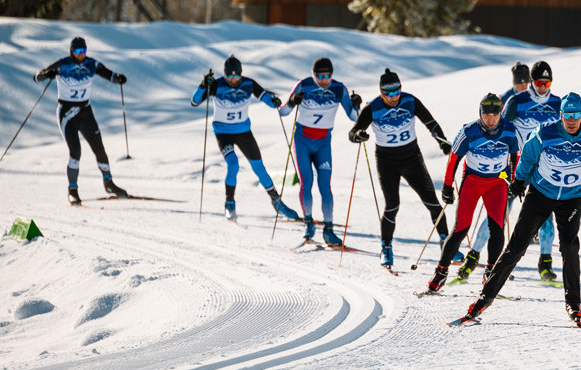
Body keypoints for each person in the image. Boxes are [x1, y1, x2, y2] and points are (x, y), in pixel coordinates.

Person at [460, 92, 581, 328]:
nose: (571, 120)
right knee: (516, 247)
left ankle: (574, 304)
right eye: (567, 115)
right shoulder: (545, 133)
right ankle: (485, 298)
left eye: (576, 115)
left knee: (569, 247)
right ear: (561, 115)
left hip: (571, 199)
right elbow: (528, 158)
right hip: (540, 195)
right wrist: (519, 181)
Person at [348, 68, 451, 269]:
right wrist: (359, 135)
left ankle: (446, 243)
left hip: (412, 158)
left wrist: (442, 141)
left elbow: (430, 123)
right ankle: (386, 247)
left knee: (432, 201)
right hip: (387, 162)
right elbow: (353, 133)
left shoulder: (410, 100)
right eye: (389, 94)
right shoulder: (372, 108)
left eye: (397, 92)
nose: (394, 97)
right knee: (392, 205)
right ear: (381, 93)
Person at [425, 93, 520, 293]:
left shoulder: (510, 130)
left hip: (497, 183)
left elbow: (515, 156)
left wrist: (514, 179)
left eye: (495, 115)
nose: (491, 120)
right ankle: (441, 272)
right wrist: (447, 186)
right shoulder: (469, 132)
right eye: (487, 116)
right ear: (481, 114)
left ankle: (491, 274)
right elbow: (454, 158)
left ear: (500, 113)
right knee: (461, 228)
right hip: (472, 182)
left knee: (497, 228)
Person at [191, 54, 299, 222]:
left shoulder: (249, 83)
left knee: (259, 168)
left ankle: (276, 201)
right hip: (223, 132)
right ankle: (229, 203)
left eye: (236, 75)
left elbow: (266, 98)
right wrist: (202, 86)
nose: (233, 79)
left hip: (243, 132)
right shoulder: (217, 85)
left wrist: (275, 102)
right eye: (230, 76)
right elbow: (195, 101)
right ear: (225, 74)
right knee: (233, 165)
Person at [33, 36, 129, 204]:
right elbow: (37, 76)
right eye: (78, 51)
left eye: (84, 51)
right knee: (75, 152)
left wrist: (119, 78)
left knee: (99, 148)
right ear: (72, 52)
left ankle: (109, 183)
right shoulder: (62, 64)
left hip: (86, 112)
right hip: (67, 114)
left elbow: (109, 74)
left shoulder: (91, 64)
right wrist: (47, 74)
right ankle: (73, 191)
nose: (81, 55)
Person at [280, 57, 362, 245]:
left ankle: (329, 230)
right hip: (302, 141)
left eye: (328, 76)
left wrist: (356, 104)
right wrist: (293, 101)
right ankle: (308, 223)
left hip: (323, 143)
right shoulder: (304, 85)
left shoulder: (338, 88)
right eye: (320, 76)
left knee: (325, 186)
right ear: (313, 74)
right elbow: (283, 112)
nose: (324, 80)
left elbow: (353, 117)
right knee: (306, 182)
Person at [499, 59, 562, 281]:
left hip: (545, 168)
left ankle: (545, 264)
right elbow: (501, 130)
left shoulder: (558, 103)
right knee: (501, 211)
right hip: (517, 165)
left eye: (547, 82)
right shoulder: (516, 101)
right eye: (539, 82)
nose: (543, 86)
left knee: (546, 217)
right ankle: (493, 259)